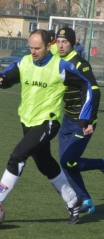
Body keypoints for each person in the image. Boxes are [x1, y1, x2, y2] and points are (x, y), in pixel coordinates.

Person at [0, 29, 93, 224]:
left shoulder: (60, 66)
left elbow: (86, 86)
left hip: (48, 122)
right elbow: (7, 77)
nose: (33, 51)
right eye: (31, 47)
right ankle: (73, 202)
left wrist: (85, 116)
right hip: (27, 121)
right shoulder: (24, 62)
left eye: (37, 48)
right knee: (45, 163)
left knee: (17, 156)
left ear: (49, 46)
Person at [56, 27, 104, 214]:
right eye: (58, 42)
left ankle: (101, 164)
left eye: (65, 42)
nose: (61, 45)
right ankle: (87, 202)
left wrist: (89, 120)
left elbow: (95, 91)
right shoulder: (58, 61)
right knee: (66, 162)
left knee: (68, 161)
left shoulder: (80, 64)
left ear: (73, 43)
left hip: (82, 121)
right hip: (67, 119)